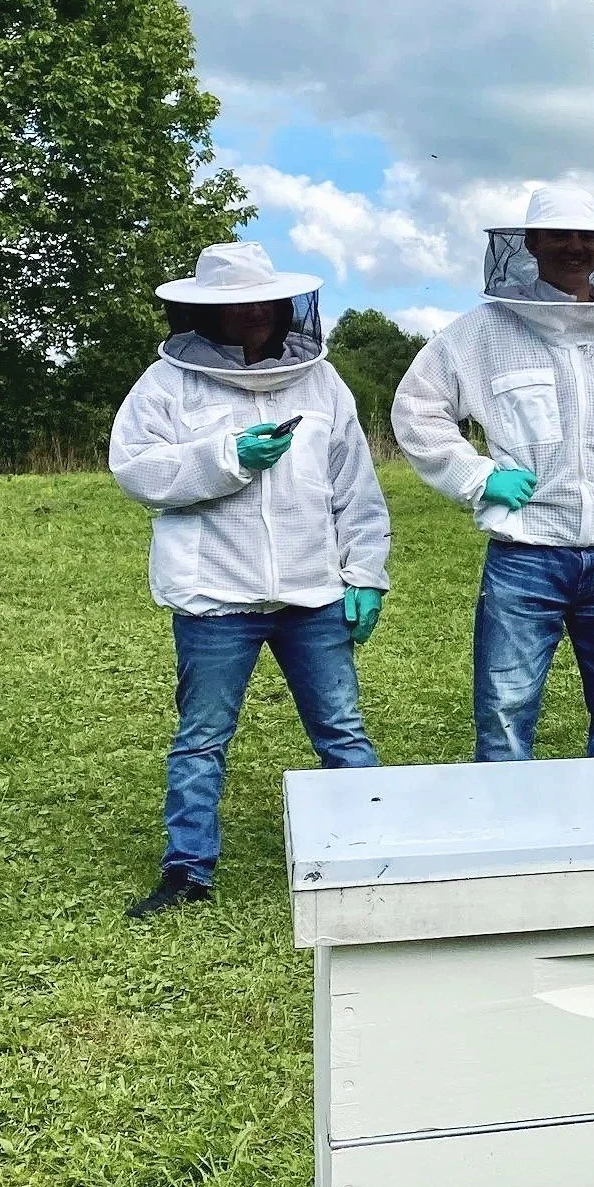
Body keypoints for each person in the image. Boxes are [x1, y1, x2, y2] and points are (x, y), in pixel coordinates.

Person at [110, 242, 390, 918]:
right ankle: (188, 873)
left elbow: (354, 487)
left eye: (264, 300)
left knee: (343, 732)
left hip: (313, 591)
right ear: (206, 311)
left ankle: (379, 855)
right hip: (214, 598)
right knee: (202, 738)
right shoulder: (167, 385)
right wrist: (225, 456)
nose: (256, 313)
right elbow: (136, 471)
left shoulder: (321, 383)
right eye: (238, 304)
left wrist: (366, 571)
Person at [392, 184, 594, 761]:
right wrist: (475, 474)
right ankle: (509, 846)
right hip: (526, 553)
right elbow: (417, 407)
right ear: (531, 244)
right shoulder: (485, 331)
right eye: (560, 236)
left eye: (586, 237)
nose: (575, 248)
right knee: (505, 713)